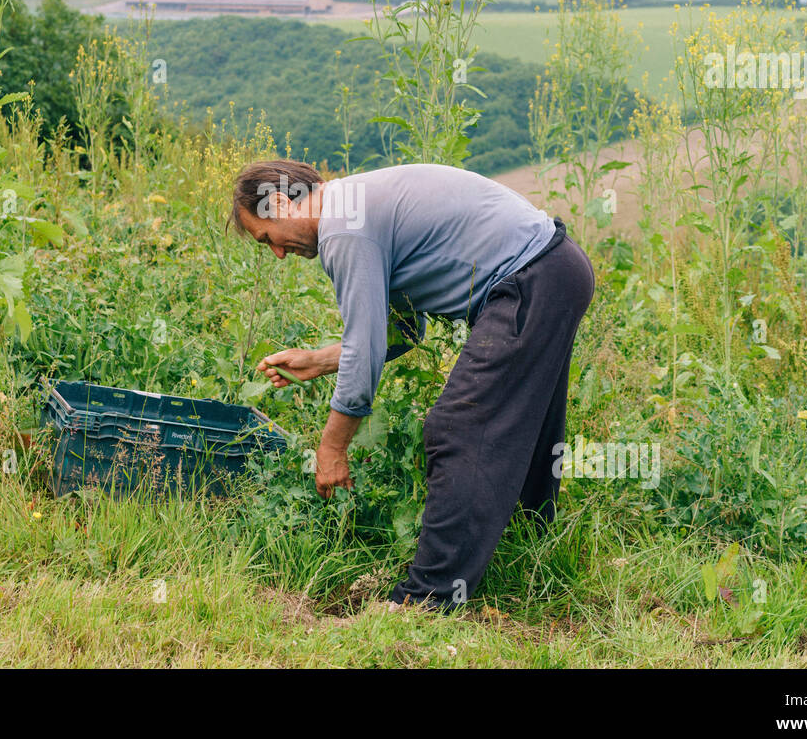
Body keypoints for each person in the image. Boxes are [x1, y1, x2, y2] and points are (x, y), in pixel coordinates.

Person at [230, 158, 595, 610]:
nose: (279, 254)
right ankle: (531, 547)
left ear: (282, 203)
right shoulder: (352, 205)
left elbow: (365, 356)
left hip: (531, 278)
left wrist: (331, 449)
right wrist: (320, 360)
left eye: (268, 239)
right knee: (527, 424)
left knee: (458, 429)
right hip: (554, 270)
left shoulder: (342, 228)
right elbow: (404, 330)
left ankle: (425, 602)